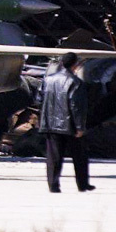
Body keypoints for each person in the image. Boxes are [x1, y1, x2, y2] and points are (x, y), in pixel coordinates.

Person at [36, 52, 93, 193]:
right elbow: (76, 106)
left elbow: (38, 99)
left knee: (53, 157)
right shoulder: (75, 82)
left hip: (50, 124)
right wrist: (80, 127)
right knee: (80, 156)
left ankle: (53, 185)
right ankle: (83, 184)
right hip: (70, 126)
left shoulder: (47, 80)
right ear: (76, 65)